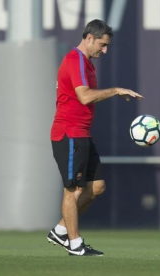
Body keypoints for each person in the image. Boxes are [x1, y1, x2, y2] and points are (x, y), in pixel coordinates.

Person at [47, 19, 143, 256]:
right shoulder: (75, 60)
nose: (105, 49)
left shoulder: (87, 63)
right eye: (102, 44)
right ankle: (75, 245)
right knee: (73, 191)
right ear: (89, 38)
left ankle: (61, 230)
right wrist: (116, 90)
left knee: (97, 187)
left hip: (82, 135)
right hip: (69, 134)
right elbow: (85, 97)